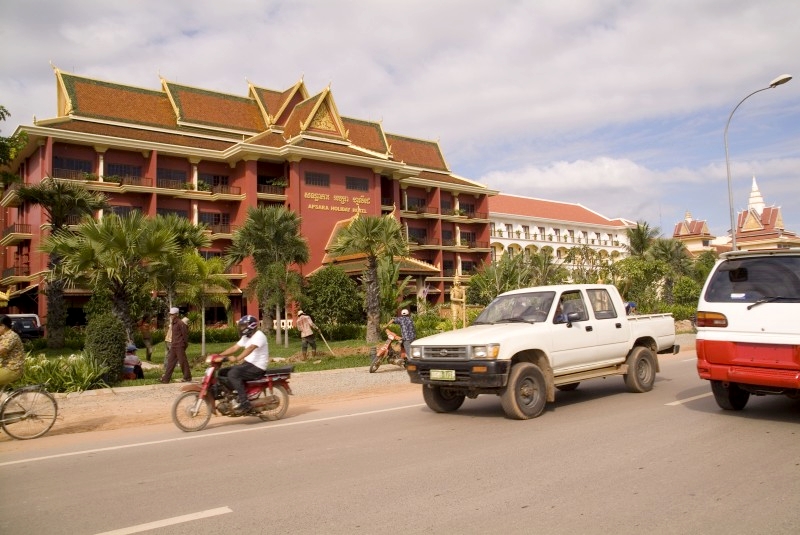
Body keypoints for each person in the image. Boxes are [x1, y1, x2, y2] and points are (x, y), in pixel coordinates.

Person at [218, 315, 270, 414]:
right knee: (222, 372)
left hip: (257, 367)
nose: (241, 328)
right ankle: (233, 396)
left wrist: (237, 358)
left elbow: (250, 348)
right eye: (241, 326)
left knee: (233, 373)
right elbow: (234, 348)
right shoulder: (246, 337)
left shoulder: (259, 335)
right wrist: (218, 355)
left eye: (243, 326)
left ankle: (245, 403)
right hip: (248, 364)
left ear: (251, 326)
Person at [159, 307, 191, 383]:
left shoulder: (180, 323)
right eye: (170, 314)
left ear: (177, 314)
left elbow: (185, 335)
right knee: (170, 362)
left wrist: (185, 345)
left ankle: (187, 377)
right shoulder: (173, 323)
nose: (171, 316)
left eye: (173, 314)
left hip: (179, 345)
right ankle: (166, 379)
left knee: (183, 361)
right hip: (174, 345)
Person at [0, 314, 25, 388]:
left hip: (12, 369)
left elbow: (1, 350)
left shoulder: (11, 336)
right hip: (5, 367)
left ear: (3, 326)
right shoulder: (4, 336)